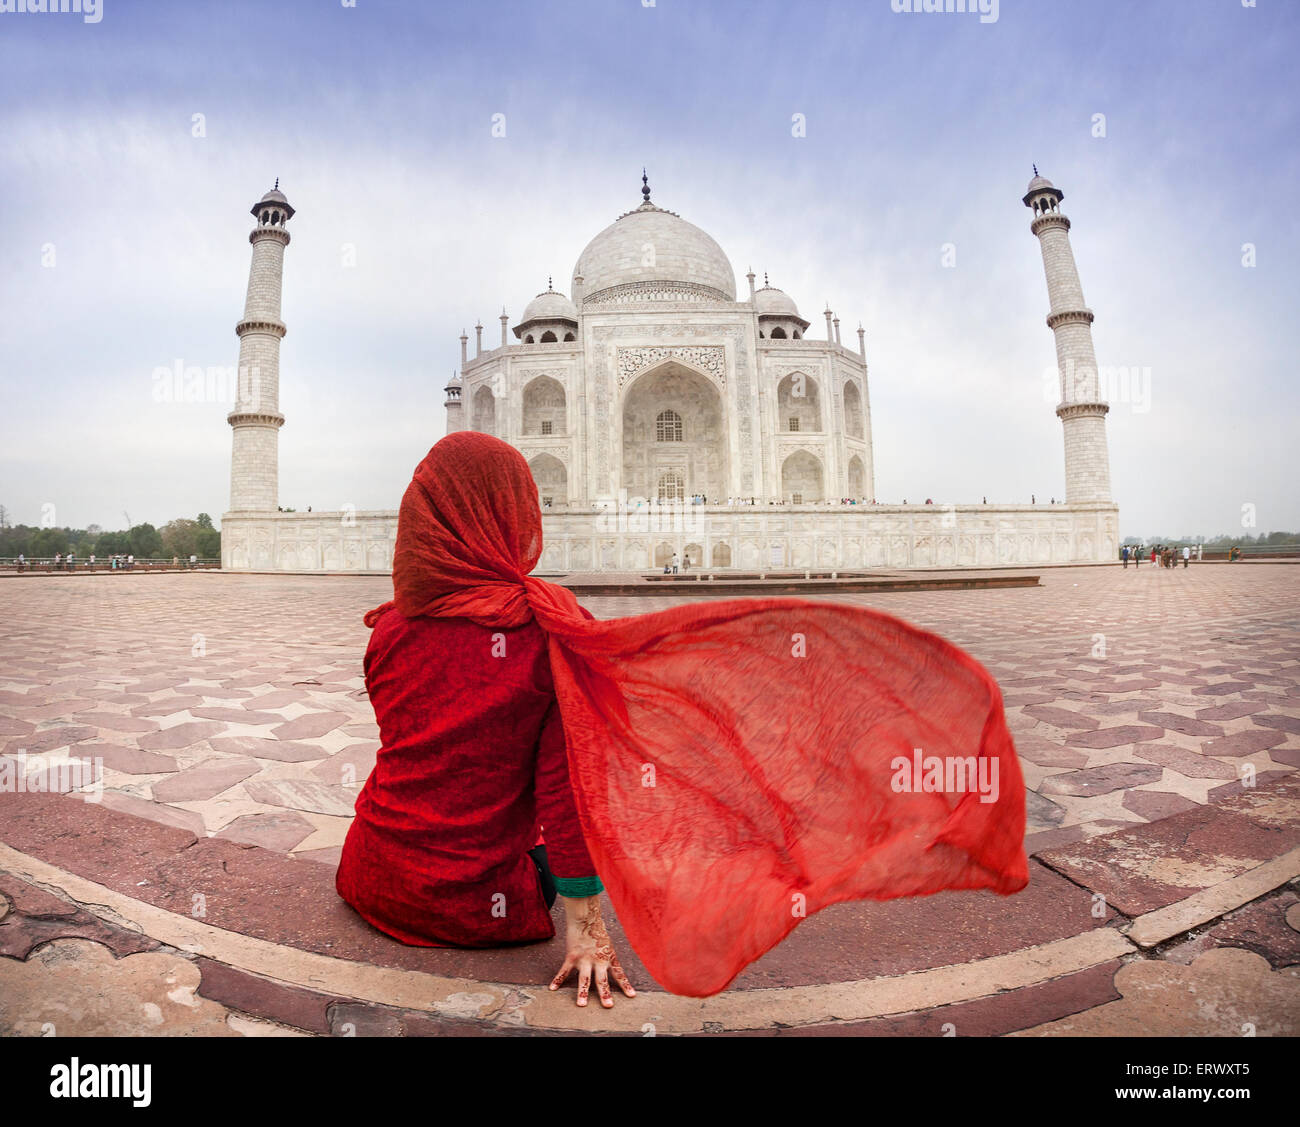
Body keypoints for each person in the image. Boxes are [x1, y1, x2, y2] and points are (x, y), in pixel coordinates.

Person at [334, 432, 1028, 1002]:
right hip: (469, 902)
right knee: (591, 835)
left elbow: (421, 747)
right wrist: (589, 931)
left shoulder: (387, 628)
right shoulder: (541, 629)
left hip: (367, 871)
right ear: (513, 514)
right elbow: (565, 795)